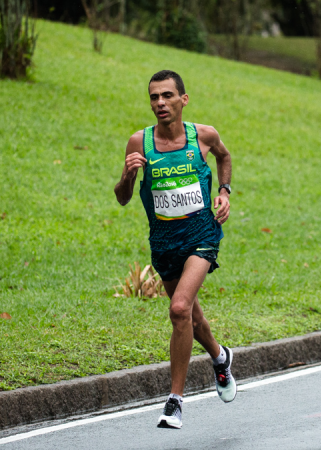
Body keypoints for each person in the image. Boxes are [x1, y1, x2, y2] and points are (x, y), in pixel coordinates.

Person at [114, 70, 236, 428]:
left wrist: (224, 192)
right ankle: (220, 357)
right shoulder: (139, 142)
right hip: (164, 242)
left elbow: (224, 158)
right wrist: (128, 175)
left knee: (179, 308)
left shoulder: (204, 135)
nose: (160, 103)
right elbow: (122, 198)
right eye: (154, 97)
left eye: (167, 96)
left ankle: (175, 401)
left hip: (201, 234)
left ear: (183, 100)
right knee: (191, 319)